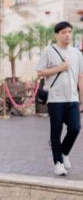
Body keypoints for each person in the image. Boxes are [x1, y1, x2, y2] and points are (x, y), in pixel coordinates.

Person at [36, 21, 83, 177]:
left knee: (75, 128)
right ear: (56, 35)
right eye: (63, 32)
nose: (67, 35)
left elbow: (80, 77)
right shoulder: (49, 51)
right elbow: (40, 72)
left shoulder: (77, 53)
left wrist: (82, 99)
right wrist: (60, 68)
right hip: (55, 99)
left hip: (72, 98)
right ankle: (58, 163)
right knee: (56, 132)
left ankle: (63, 152)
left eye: (69, 31)